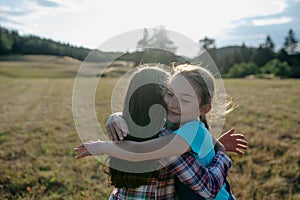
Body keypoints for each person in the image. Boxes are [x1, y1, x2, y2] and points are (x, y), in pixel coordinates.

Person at [74, 65, 248, 199]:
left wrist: (100, 147)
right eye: (169, 94)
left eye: (184, 99)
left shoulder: (187, 131)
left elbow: (137, 152)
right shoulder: (174, 128)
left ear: (204, 109)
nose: (172, 104)